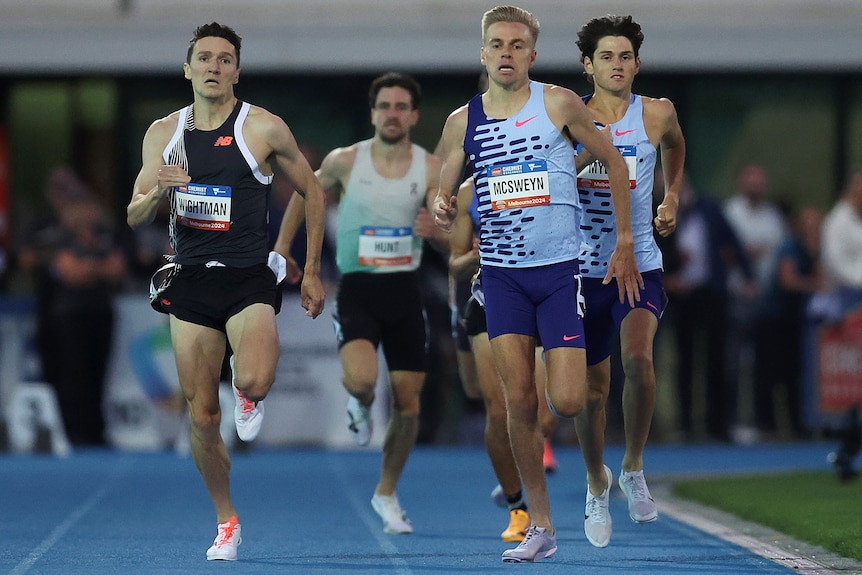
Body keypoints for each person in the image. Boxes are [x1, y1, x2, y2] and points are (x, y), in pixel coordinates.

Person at [433, 5, 640, 563]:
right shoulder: (463, 120)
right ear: (483, 54)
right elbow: (441, 187)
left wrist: (624, 239)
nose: (506, 53)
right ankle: (540, 526)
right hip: (500, 278)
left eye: (517, 45)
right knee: (514, 403)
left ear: (532, 54)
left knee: (568, 400)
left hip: (556, 275)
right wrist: (442, 203)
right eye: (497, 44)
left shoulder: (557, 103)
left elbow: (616, 166)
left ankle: (595, 480)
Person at [126, 22, 326, 561]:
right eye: (204, 58)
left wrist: (307, 268)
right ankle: (225, 521)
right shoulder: (162, 133)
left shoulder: (260, 127)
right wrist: (157, 193)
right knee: (201, 417)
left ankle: (244, 386)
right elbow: (134, 210)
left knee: (257, 380)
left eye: (225, 59)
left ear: (237, 69)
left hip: (246, 277)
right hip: (189, 278)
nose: (214, 67)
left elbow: (312, 190)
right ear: (187, 68)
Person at [275, 72, 445, 535]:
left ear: (413, 115)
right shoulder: (346, 161)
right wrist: (283, 249)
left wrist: (442, 233)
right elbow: (304, 194)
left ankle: (386, 492)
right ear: (373, 113)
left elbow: (450, 234)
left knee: (408, 404)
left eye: (401, 106)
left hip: (405, 293)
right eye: (384, 105)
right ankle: (358, 402)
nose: (392, 113)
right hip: (359, 291)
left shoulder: (431, 168)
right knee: (364, 382)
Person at [570, 14, 685, 546]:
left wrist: (671, 194)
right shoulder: (567, 118)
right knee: (591, 391)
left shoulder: (656, 114)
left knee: (638, 359)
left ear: (637, 64)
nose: (617, 65)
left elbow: (675, 148)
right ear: (587, 65)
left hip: (639, 263)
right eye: (606, 57)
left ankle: (634, 464)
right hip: (581, 270)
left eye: (625, 56)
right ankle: (597, 481)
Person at [448, 176, 557, 543]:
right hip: (489, 301)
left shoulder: (543, 173)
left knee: (542, 415)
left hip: (541, 297)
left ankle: (520, 474)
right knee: (498, 409)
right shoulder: (469, 191)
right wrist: (477, 254)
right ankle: (517, 506)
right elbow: (455, 264)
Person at [663, 175, 754, 441]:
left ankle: (718, 422)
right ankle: (686, 424)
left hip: (711, 294)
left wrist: (748, 275)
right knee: (685, 360)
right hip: (681, 295)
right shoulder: (659, 212)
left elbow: (733, 241)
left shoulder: (710, 209)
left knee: (716, 359)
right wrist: (669, 273)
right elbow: (656, 248)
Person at [722, 162, 788, 441]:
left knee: (765, 364)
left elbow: (778, 256)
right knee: (733, 362)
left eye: (761, 181)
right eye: (752, 180)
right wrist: (744, 257)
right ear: (741, 182)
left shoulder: (773, 218)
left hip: (765, 300)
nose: (757, 185)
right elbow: (723, 251)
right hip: (735, 297)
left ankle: (764, 421)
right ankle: (732, 421)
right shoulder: (730, 213)